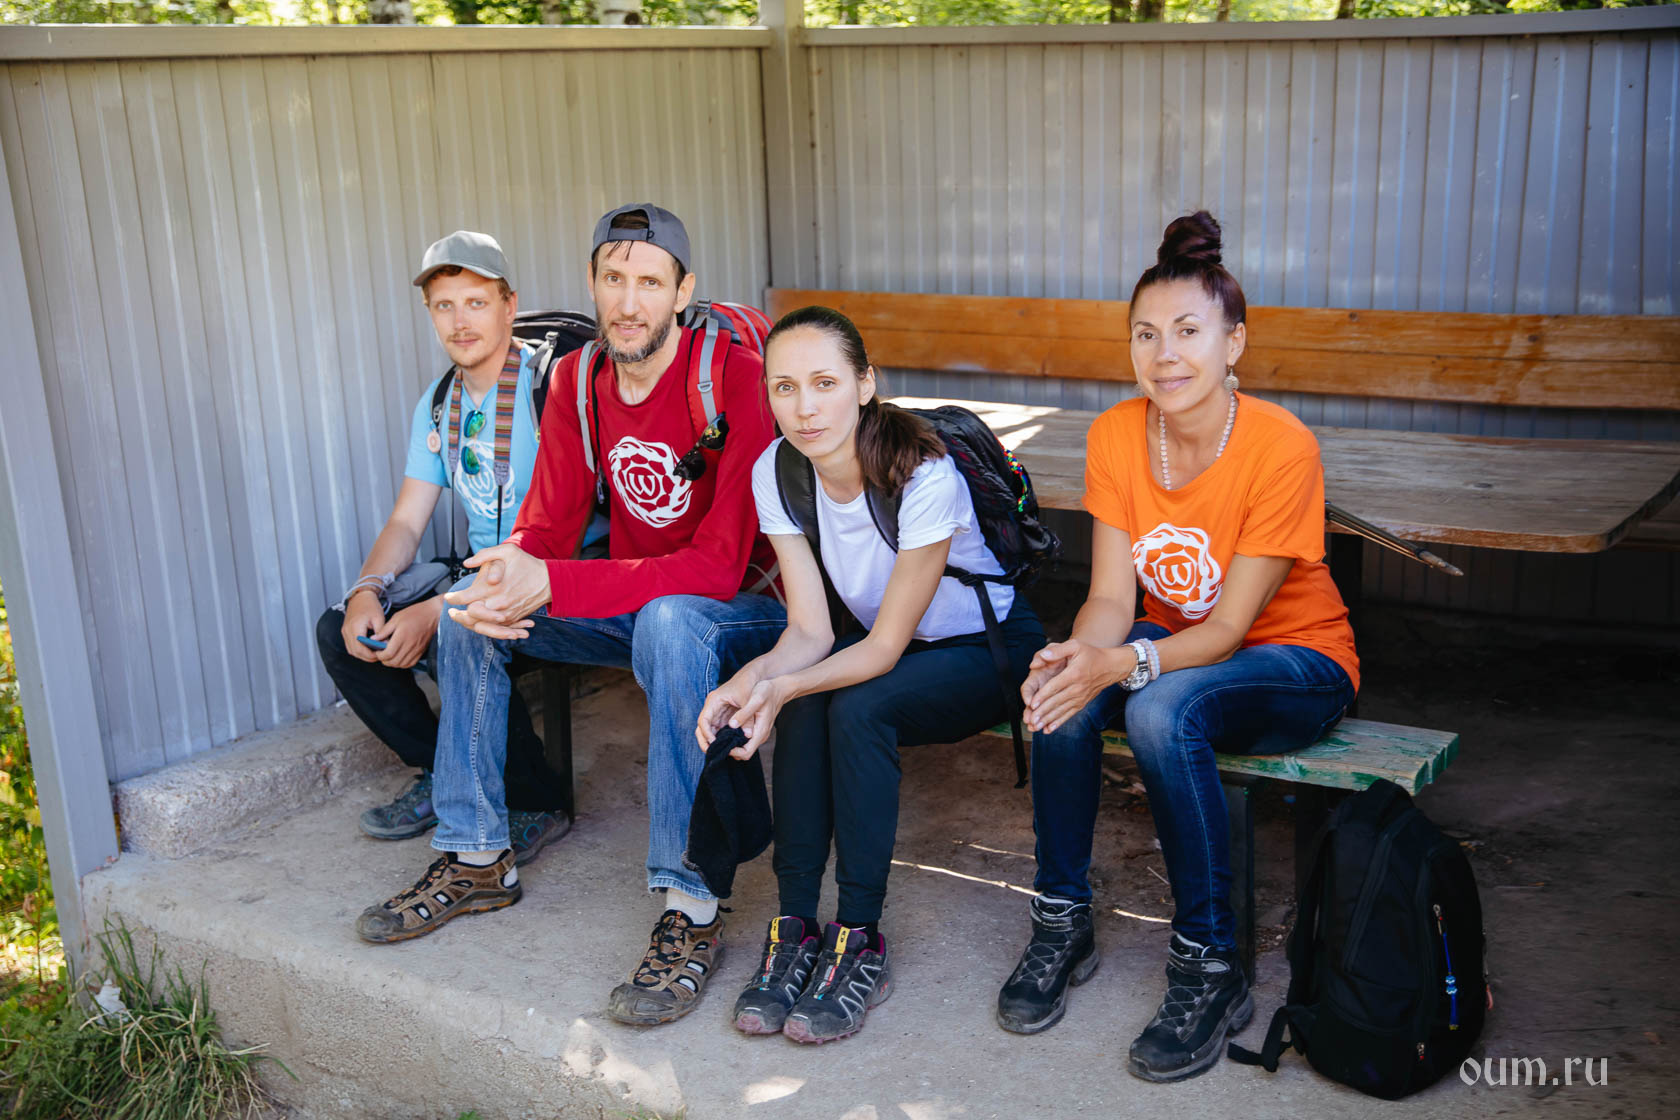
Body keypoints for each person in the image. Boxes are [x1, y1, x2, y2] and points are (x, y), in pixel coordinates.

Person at [355, 205, 787, 1031]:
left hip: (747, 615)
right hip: (638, 602)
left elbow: (717, 566)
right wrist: (512, 567)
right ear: (592, 283)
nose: (629, 301)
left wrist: (553, 581)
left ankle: (690, 907)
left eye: (650, 283)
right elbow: (548, 528)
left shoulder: (731, 378)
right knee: (467, 607)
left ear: (682, 292)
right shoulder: (580, 377)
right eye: (614, 279)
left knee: (670, 622)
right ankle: (478, 855)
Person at [996, 212, 1359, 1082]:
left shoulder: (1281, 446)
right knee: (1064, 693)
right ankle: (1061, 919)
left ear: (1235, 343)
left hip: (1295, 658)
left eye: (1189, 332)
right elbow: (1111, 599)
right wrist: (1078, 657)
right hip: (1173, 644)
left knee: (1160, 710)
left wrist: (1122, 662)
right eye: (1146, 334)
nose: (1166, 354)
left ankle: (1210, 962)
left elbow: (1230, 629)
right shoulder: (1119, 433)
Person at [698, 306, 1046, 1044]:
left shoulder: (923, 474)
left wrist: (782, 686)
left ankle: (859, 938)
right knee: (804, 702)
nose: (805, 407)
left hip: (983, 647)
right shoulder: (777, 470)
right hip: (892, 644)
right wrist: (746, 684)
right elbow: (810, 632)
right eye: (785, 387)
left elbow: (883, 649)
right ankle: (794, 926)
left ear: (864, 384)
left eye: (825, 383)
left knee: (854, 707)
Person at [315, 230, 569, 863]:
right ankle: (444, 770)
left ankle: (538, 801)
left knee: (463, 627)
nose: (460, 321)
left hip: (554, 570)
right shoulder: (438, 403)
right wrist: (367, 591)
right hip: (480, 571)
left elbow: (559, 531)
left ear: (509, 305)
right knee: (342, 631)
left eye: (476, 302)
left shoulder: (550, 388)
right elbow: (407, 521)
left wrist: (441, 608)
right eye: (444, 306)